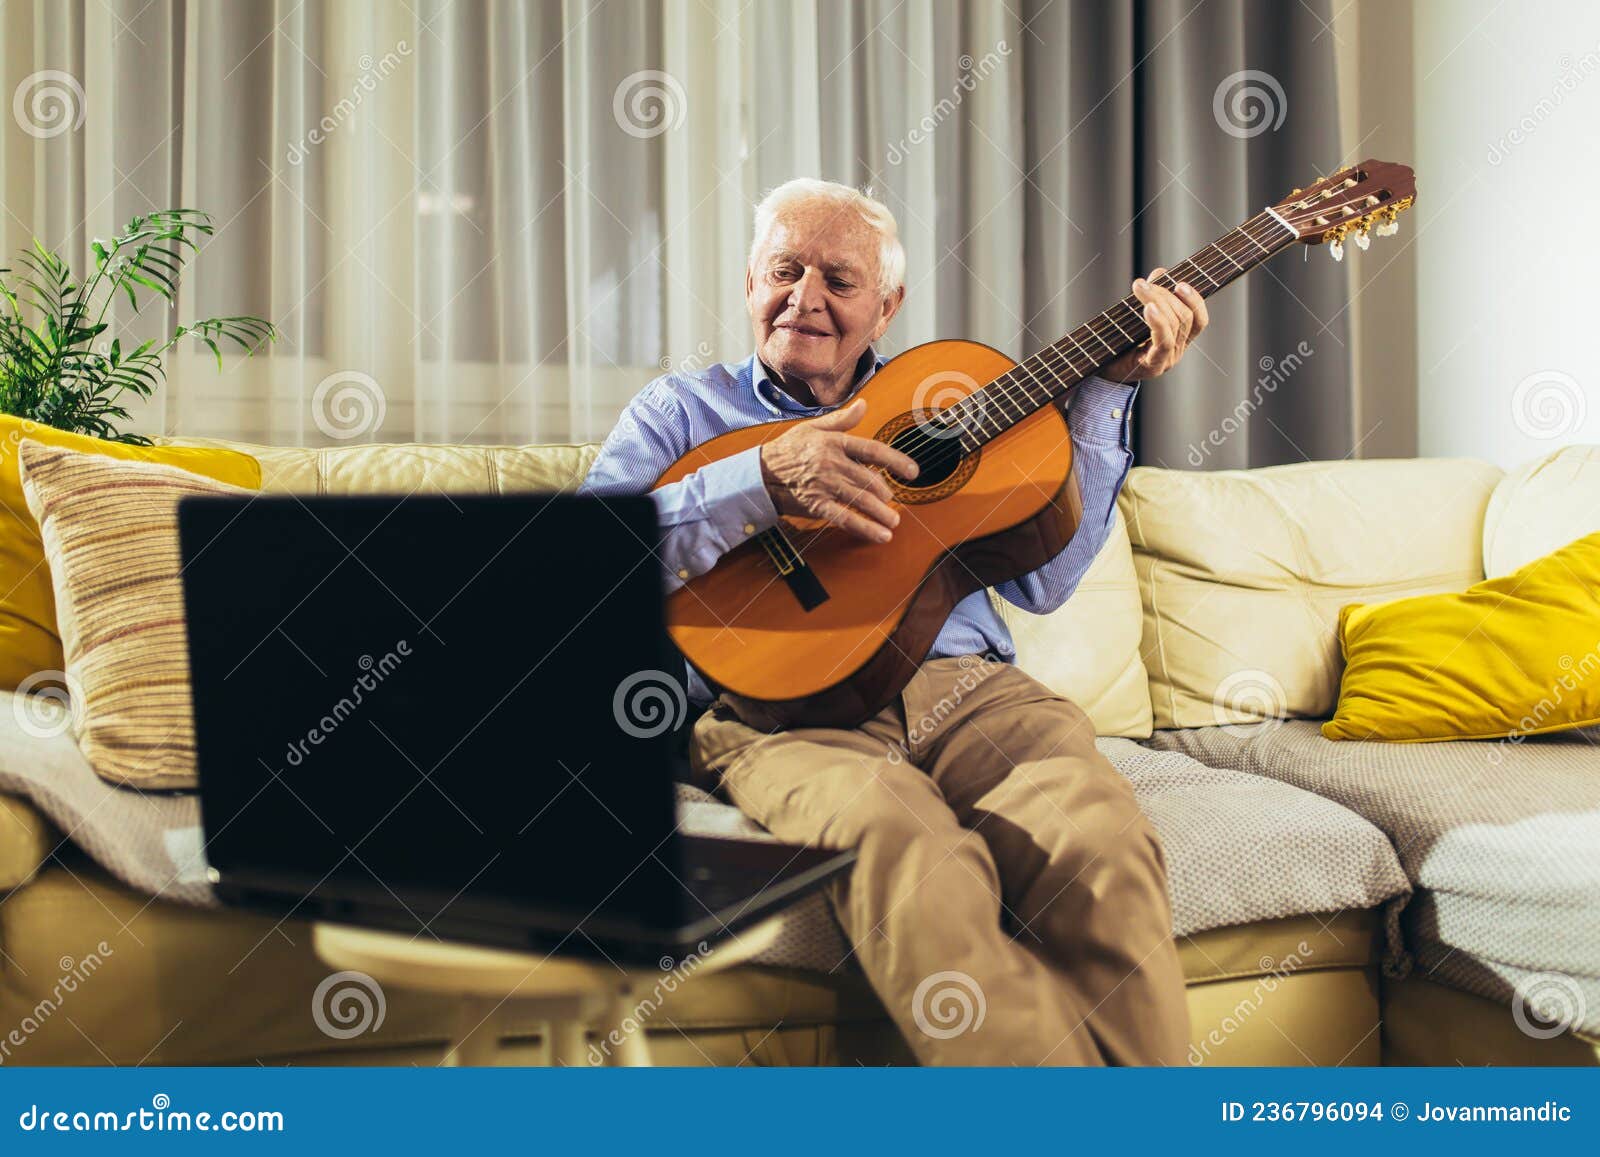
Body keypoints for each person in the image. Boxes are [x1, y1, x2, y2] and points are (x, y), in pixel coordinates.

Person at [579, 178, 1210, 1065]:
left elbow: (1044, 584)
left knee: (1101, 845)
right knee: (911, 853)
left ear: (887, 308)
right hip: (782, 713)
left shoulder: (952, 399)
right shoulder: (680, 412)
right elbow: (582, 569)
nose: (804, 298)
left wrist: (1105, 392)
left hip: (977, 696)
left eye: (839, 280)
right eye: (784, 271)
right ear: (751, 284)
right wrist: (757, 481)